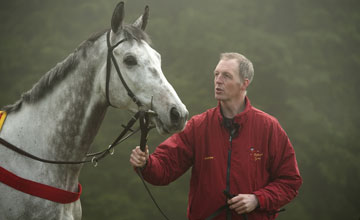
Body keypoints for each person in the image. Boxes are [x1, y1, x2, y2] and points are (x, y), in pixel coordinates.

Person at [130, 52, 302, 220]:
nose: (218, 80)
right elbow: (165, 168)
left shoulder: (268, 127)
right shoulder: (198, 126)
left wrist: (257, 199)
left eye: (226, 76)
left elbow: (290, 182)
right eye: (216, 74)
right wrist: (146, 163)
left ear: (244, 83)